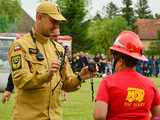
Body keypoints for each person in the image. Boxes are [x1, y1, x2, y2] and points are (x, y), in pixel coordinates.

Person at [8, 1, 96, 120]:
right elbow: (21, 81)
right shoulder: (20, 46)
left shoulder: (58, 49)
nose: (56, 26)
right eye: (53, 21)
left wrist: (80, 77)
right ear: (39, 17)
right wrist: (47, 75)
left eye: (58, 22)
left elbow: (67, 84)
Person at [93, 31, 160, 120]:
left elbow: (99, 115)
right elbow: (157, 115)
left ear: (120, 59)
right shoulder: (150, 84)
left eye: (114, 56)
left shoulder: (107, 82)